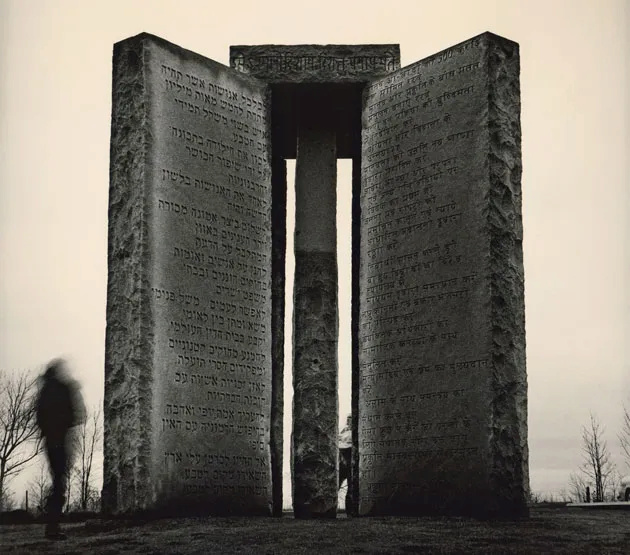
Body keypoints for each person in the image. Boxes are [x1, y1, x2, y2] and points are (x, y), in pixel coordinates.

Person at [35, 358, 85, 540]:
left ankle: (52, 523)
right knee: (59, 482)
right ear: (57, 371)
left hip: (52, 440)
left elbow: (39, 417)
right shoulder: (63, 388)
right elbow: (78, 415)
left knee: (58, 481)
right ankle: (52, 526)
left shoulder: (47, 389)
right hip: (60, 440)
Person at [338, 414, 353, 514]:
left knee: (351, 485)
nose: (348, 421)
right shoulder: (344, 430)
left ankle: (350, 508)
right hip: (341, 458)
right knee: (338, 482)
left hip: (349, 457)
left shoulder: (352, 432)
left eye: (350, 419)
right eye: (347, 419)